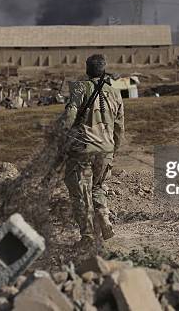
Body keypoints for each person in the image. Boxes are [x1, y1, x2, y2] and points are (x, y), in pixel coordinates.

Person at [62, 54, 125, 248]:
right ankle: (104, 218)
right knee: (97, 187)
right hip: (105, 149)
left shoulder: (80, 87)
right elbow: (119, 127)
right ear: (104, 69)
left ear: (87, 69)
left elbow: (70, 115)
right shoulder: (115, 93)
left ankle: (88, 236)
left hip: (83, 149)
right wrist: (113, 149)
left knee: (80, 192)